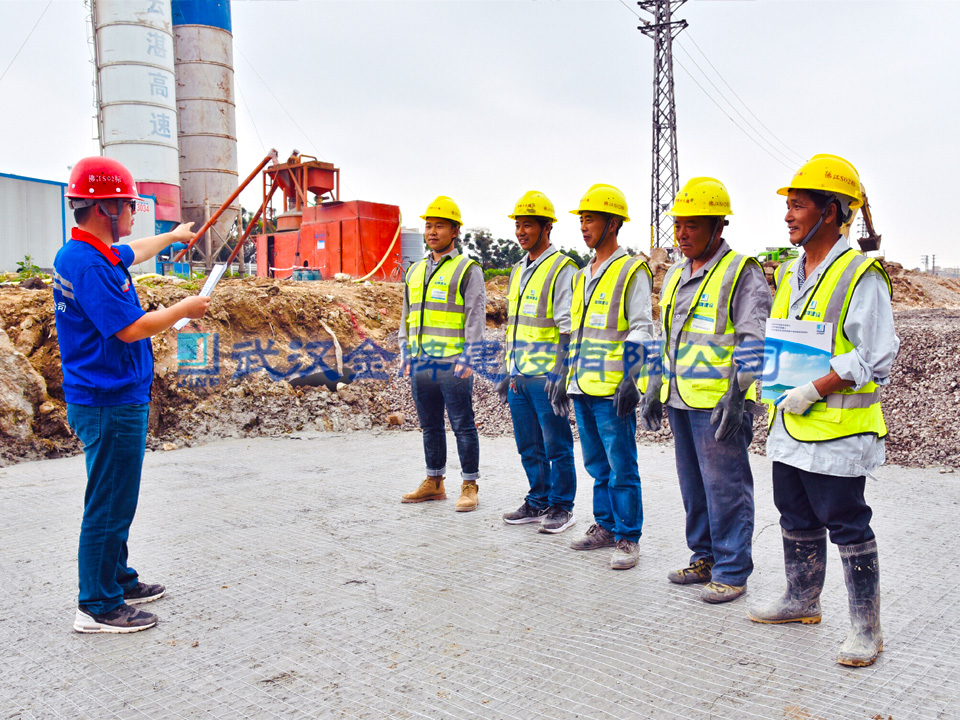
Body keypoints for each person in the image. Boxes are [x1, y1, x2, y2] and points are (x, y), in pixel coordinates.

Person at [748, 155, 899, 667]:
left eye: (797, 205)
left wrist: (814, 388)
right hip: (790, 421)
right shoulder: (791, 271)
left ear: (830, 211)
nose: (787, 215)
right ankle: (801, 599)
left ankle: (866, 629)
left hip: (837, 424)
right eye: (788, 205)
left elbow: (876, 354)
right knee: (794, 512)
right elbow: (785, 341)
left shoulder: (861, 273)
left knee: (846, 521)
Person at [54, 156, 209, 633]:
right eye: (127, 206)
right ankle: (97, 605)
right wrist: (186, 306)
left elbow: (134, 251)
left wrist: (172, 236)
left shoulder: (87, 252)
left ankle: (116, 578)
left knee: (117, 494)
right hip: (108, 400)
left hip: (108, 395)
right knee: (110, 500)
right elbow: (130, 329)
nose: (133, 215)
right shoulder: (90, 266)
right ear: (106, 209)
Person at [640, 177, 770, 603]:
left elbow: (754, 339)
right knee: (694, 485)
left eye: (692, 225)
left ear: (719, 226)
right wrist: (656, 383)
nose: (681, 233)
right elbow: (668, 336)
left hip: (720, 404)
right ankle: (705, 557)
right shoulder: (677, 273)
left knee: (726, 486)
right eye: (678, 224)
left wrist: (738, 394)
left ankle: (733, 569)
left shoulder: (740, 271)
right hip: (680, 398)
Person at [565, 184, 653, 570]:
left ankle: (628, 536)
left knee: (621, 465)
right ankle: (604, 524)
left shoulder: (632, 269)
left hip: (612, 388)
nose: (584, 226)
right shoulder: (583, 275)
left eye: (591, 219)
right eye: (581, 219)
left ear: (613, 223)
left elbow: (641, 328)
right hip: (583, 383)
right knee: (597, 464)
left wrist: (631, 379)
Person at [497, 191, 578, 534]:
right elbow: (515, 325)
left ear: (547, 227)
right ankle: (538, 498)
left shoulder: (562, 268)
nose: (520, 232)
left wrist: (560, 372)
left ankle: (562, 505)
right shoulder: (517, 270)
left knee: (556, 443)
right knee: (528, 444)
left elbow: (566, 327)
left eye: (527, 225)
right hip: (519, 374)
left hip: (546, 375)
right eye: (518, 225)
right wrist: (507, 369)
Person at [398, 196, 486, 512]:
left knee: (463, 423)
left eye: (440, 226)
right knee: (430, 424)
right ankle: (434, 482)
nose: (432, 232)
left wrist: (470, 355)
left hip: (453, 360)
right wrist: (405, 350)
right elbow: (406, 315)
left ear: (454, 230)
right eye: (429, 226)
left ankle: (469, 484)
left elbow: (476, 315)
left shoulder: (467, 269)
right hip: (421, 361)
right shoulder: (415, 271)